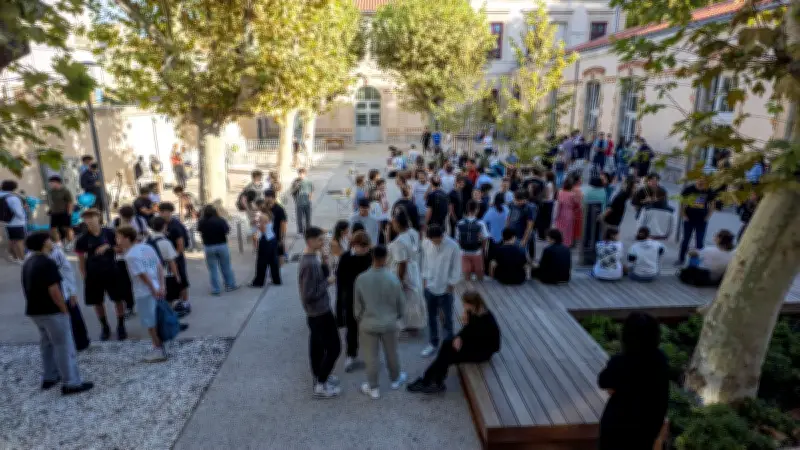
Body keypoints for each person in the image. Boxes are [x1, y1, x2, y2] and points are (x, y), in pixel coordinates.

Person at [22, 232, 94, 395]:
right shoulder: (47, 263)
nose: (51, 242)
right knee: (64, 345)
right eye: (48, 240)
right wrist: (64, 308)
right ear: (43, 243)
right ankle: (71, 382)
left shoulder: (28, 261)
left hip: (35, 310)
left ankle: (50, 376)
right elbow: (54, 289)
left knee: (46, 344)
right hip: (51, 311)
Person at [598, 312, 669, 450]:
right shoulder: (660, 360)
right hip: (647, 427)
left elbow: (603, 381)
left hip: (617, 428)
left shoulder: (620, 362)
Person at [408, 291, 500, 394]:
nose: (463, 306)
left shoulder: (486, 320)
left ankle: (429, 381)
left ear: (473, 304)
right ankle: (433, 381)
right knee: (447, 345)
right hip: (473, 345)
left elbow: (495, 346)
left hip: (482, 352)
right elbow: (468, 329)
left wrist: (464, 341)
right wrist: (458, 337)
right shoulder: (473, 312)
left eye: (465, 304)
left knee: (448, 355)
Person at [354, 245, 408, 399]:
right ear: (386, 258)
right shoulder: (393, 279)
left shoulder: (361, 278)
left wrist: (360, 318)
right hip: (389, 322)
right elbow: (401, 304)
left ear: (372, 257)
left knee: (371, 357)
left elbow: (357, 306)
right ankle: (395, 378)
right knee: (392, 352)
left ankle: (373, 387)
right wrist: (396, 316)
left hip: (368, 323)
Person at [299, 227, 342, 398]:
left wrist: (325, 262)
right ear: (310, 241)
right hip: (320, 313)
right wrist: (329, 282)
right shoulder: (309, 263)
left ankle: (320, 375)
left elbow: (318, 280)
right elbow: (308, 294)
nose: (323, 242)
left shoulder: (312, 259)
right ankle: (321, 384)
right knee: (334, 348)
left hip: (317, 312)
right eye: (320, 240)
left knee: (316, 346)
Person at [116, 226, 169, 362]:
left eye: (119, 238)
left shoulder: (130, 256)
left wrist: (153, 289)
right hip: (157, 288)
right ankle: (159, 346)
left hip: (144, 292)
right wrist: (161, 286)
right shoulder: (148, 248)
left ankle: (158, 350)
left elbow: (142, 275)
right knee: (156, 319)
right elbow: (159, 266)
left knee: (150, 323)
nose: (118, 241)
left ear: (127, 238)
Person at [75, 209, 127, 341]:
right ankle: (105, 327)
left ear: (98, 217)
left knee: (118, 300)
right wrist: (84, 276)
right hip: (93, 274)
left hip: (112, 271)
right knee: (97, 302)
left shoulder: (110, 233)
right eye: (86, 218)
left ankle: (121, 325)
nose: (90, 220)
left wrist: (108, 247)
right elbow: (81, 260)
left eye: (92, 216)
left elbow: (122, 248)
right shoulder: (82, 239)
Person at [421, 224, 462, 357]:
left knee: (448, 318)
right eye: (432, 240)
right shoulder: (426, 243)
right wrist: (424, 279)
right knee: (431, 317)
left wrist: (451, 284)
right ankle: (433, 343)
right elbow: (424, 261)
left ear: (442, 236)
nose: (434, 242)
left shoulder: (453, 246)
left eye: (436, 240)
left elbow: (457, 267)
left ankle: (448, 346)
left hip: (445, 288)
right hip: (430, 286)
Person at [336, 230, 372, 373]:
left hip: (368, 299)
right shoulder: (345, 258)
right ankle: (351, 354)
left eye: (366, 247)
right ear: (354, 245)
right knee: (351, 328)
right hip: (351, 299)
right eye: (361, 247)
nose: (364, 250)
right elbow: (340, 283)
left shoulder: (371, 257)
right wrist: (340, 307)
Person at [49, 230, 89, 351]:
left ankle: (80, 343)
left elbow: (67, 272)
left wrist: (72, 291)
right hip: (55, 294)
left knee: (73, 318)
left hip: (63, 291)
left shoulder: (56, 253)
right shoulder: (36, 257)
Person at [388, 212, 426, 333]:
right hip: (414, 267)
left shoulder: (399, 241)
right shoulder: (413, 233)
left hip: (405, 271)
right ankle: (415, 322)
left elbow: (401, 263)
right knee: (415, 296)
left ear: (398, 223)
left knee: (406, 298)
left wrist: (399, 280)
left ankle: (408, 324)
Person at [158, 202, 191, 315]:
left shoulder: (175, 226)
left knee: (181, 280)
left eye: (164, 212)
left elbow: (180, 246)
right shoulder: (163, 224)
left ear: (170, 212)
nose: (162, 214)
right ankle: (177, 303)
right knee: (172, 282)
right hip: (167, 259)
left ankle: (185, 303)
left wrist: (173, 258)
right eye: (160, 212)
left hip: (176, 258)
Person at [196, 205, 238, 295]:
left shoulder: (201, 221)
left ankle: (216, 289)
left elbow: (199, 230)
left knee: (213, 269)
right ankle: (230, 285)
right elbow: (227, 231)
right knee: (226, 266)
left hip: (208, 246)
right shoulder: (220, 220)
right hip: (221, 245)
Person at [146, 217, 183, 312]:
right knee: (169, 301)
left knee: (156, 300)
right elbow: (171, 261)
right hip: (167, 275)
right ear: (164, 226)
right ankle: (169, 321)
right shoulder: (165, 242)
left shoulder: (147, 241)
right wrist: (177, 276)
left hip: (152, 274)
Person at [677, 178, 715, 266]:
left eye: (703, 180)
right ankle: (681, 259)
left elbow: (712, 205)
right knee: (686, 240)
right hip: (689, 219)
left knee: (699, 242)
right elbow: (682, 202)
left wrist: (707, 217)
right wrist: (684, 215)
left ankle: (697, 262)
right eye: (699, 180)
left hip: (702, 220)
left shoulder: (709, 191)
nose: (701, 182)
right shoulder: (689, 189)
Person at [456, 200, 488, 281]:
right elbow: (485, 238)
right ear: (477, 210)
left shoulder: (460, 223)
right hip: (477, 252)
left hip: (464, 252)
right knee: (479, 274)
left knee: (467, 275)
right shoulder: (481, 223)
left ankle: (468, 289)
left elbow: (457, 239)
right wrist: (483, 250)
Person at [250, 210, 281, 287]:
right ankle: (276, 280)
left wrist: (256, 225)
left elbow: (263, 229)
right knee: (273, 261)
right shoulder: (268, 216)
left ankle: (259, 282)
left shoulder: (263, 217)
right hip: (271, 239)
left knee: (262, 262)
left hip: (266, 240)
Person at [0, 180, 27, 262]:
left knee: (12, 240)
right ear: (14, 188)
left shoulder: (1, 196)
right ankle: (22, 259)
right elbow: (18, 212)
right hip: (17, 222)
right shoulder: (13, 198)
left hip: (6, 222)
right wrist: (23, 217)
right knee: (19, 241)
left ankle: (14, 257)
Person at [506, 190, 537, 261]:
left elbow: (529, 226)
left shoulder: (528, 208)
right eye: (515, 200)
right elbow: (508, 218)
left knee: (520, 257)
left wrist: (524, 240)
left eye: (518, 201)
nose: (516, 202)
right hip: (511, 235)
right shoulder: (512, 205)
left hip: (521, 237)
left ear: (523, 200)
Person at [553, 177, 580, 248]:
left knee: (559, 228)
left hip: (560, 212)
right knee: (568, 230)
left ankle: (558, 241)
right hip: (569, 213)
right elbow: (577, 205)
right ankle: (567, 244)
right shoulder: (572, 194)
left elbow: (557, 201)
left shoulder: (560, 192)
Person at [47, 176, 74, 244]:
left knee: (67, 228)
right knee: (53, 228)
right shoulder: (52, 192)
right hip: (55, 213)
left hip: (64, 212)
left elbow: (70, 202)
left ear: (57, 182)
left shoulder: (65, 191)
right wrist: (51, 210)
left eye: (51, 183)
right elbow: (53, 202)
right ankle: (59, 243)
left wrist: (69, 213)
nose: (50, 184)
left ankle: (70, 242)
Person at [264, 189, 288, 265]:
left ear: (273, 197)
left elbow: (283, 224)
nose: (266, 199)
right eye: (265, 197)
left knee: (280, 255)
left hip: (277, 235)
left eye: (268, 197)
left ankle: (279, 271)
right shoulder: (265, 209)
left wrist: (282, 238)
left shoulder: (279, 209)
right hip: (267, 236)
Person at [290, 168, 314, 235]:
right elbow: (291, 192)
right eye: (300, 174)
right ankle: (300, 231)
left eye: (302, 174)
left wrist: (309, 200)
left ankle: (308, 231)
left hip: (307, 202)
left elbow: (311, 191)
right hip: (299, 202)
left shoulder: (309, 182)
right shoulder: (295, 181)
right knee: (299, 218)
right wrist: (296, 188)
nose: (301, 175)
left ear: (305, 174)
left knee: (308, 218)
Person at [535, 172, 556, 240]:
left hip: (545, 203)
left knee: (542, 220)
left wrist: (540, 195)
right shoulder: (553, 184)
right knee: (547, 220)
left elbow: (546, 196)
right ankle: (546, 234)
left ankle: (542, 235)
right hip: (550, 202)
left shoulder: (547, 184)